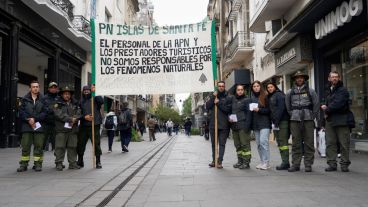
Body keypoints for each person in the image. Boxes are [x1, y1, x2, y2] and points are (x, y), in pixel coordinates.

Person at [285, 71, 320, 172]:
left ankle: (308, 164)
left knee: (309, 142)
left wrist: (312, 116)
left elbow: (316, 105)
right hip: (295, 119)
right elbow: (288, 106)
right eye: (297, 77)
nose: (299, 79)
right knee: (296, 143)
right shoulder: (289, 92)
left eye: (301, 77)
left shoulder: (311, 91)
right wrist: (293, 114)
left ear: (304, 79)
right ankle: (295, 164)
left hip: (308, 118)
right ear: (294, 79)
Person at [321, 71, 353, 172]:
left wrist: (327, 108)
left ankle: (344, 164)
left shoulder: (342, 90)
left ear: (339, 78)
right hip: (330, 120)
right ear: (329, 79)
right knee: (330, 143)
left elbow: (338, 103)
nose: (334, 78)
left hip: (341, 119)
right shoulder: (329, 90)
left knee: (344, 143)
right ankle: (332, 164)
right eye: (332, 77)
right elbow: (328, 103)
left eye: (336, 77)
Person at [17, 80, 47, 172]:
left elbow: (45, 112)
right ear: (30, 88)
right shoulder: (24, 99)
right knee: (25, 145)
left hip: (39, 126)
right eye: (33, 87)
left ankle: (38, 164)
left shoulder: (43, 99)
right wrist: (28, 119)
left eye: (37, 87)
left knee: (39, 146)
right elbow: (21, 112)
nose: (35, 88)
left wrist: (35, 119)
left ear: (39, 88)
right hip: (27, 126)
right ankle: (23, 164)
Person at [53, 86, 81, 171]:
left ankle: (72, 163)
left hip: (73, 129)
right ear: (62, 95)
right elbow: (58, 114)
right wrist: (70, 119)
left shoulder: (75, 103)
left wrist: (75, 118)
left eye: (68, 94)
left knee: (72, 146)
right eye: (65, 94)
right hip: (61, 129)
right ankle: (59, 163)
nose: (67, 95)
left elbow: (79, 112)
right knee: (60, 146)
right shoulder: (57, 103)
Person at [206, 81, 231, 169]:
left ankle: (219, 161)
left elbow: (228, 110)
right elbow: (207, 106)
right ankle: (214, 160)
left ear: (224, 87)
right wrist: (213, 98)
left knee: (222, 144)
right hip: (213, 125)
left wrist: (219, 103)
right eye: (219, 86)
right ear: (217, 87)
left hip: (223, 125)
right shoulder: (213, 96)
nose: (221, 87)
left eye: (222, 86)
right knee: (214, 144)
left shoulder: (227, 97)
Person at [77, 85, 104, 169]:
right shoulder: (80, 101)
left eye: (88, 91)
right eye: (84, 91)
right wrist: (84, 117)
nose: (86, 92)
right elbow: (78, 113)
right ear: (82, 92)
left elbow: (101, 101)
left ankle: (98, 161)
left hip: (94, 125)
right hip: (83, 125)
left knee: (96, 143)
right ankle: (80, 160)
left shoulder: (95, 99)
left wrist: (95, 92)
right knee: (80, 143)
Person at [266, 82, 290, 170]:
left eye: (271, 87)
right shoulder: (270, 96)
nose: (269, 88)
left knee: (283, 143)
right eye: (268, 87)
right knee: (280, 142)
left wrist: (276, 121)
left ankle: (286, 162)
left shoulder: (279, 95)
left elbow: (281, 108)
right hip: (276, 123)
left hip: (282, 122)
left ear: (275, 87)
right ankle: (284, 161)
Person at [230, 84, 252, 169]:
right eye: (238, 90)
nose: (240, 91)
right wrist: (229, 118)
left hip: (243, 126)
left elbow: (249, 114)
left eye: (241, 90)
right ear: (236, 91)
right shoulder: (233, 100)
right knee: (237, 145)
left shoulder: (247, 100)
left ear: (244, 91)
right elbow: (230, 111)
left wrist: (247, 126)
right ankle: (240, 161)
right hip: (235, 126)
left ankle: (246, 162)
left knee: (244, 144)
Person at [250, 81, 272, 170]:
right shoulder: (251, 98)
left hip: (265, 123)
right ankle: (262, 161)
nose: (256, 87)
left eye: (257, 86)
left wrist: (259, 110)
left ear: (260, 87)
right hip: (256, 124)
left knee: (263, 142)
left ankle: (266, 163)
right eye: (254, 86)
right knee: (258, 144)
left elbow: (269, 110)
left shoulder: (265, 96)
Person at [42, 82, 59, 151]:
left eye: (55, 88)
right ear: (49, 89)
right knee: (43, 141)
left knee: (55, 142)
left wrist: (50, 109)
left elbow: (60, 110)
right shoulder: (44, 98)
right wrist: (53, 109)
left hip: (55, 123)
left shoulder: (59, 98)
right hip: (45, 122)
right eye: (52, 88)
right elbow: (43, 109)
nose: (53, 89)